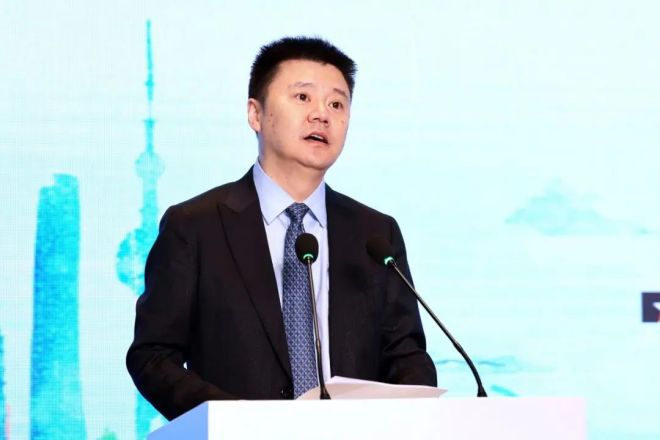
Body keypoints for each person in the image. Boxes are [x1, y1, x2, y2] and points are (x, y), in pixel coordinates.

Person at [126, 36, 437, 421]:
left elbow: (407, 356)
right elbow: (153, 356)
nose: (321, 115)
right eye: (303, 97)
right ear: (255, 115)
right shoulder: (195, 227)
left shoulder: (375, 234)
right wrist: (238, 420)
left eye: (336, 104)